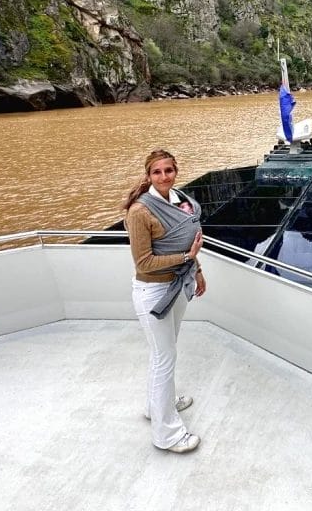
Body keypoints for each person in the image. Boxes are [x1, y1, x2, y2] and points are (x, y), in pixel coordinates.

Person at [124, 149, 207, 455]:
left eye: (168, 170)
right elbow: (144, 263)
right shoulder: (139, 212)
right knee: (164, 358)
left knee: (164, 353)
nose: (163, 177)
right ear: (148, 176)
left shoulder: (180, 200)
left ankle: (156, 405)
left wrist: (197, 271)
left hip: (178, 285)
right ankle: (167, 435)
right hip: (154, 293)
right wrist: (189, 257)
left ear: (176, 171)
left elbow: (188, 238)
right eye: (157, 172)